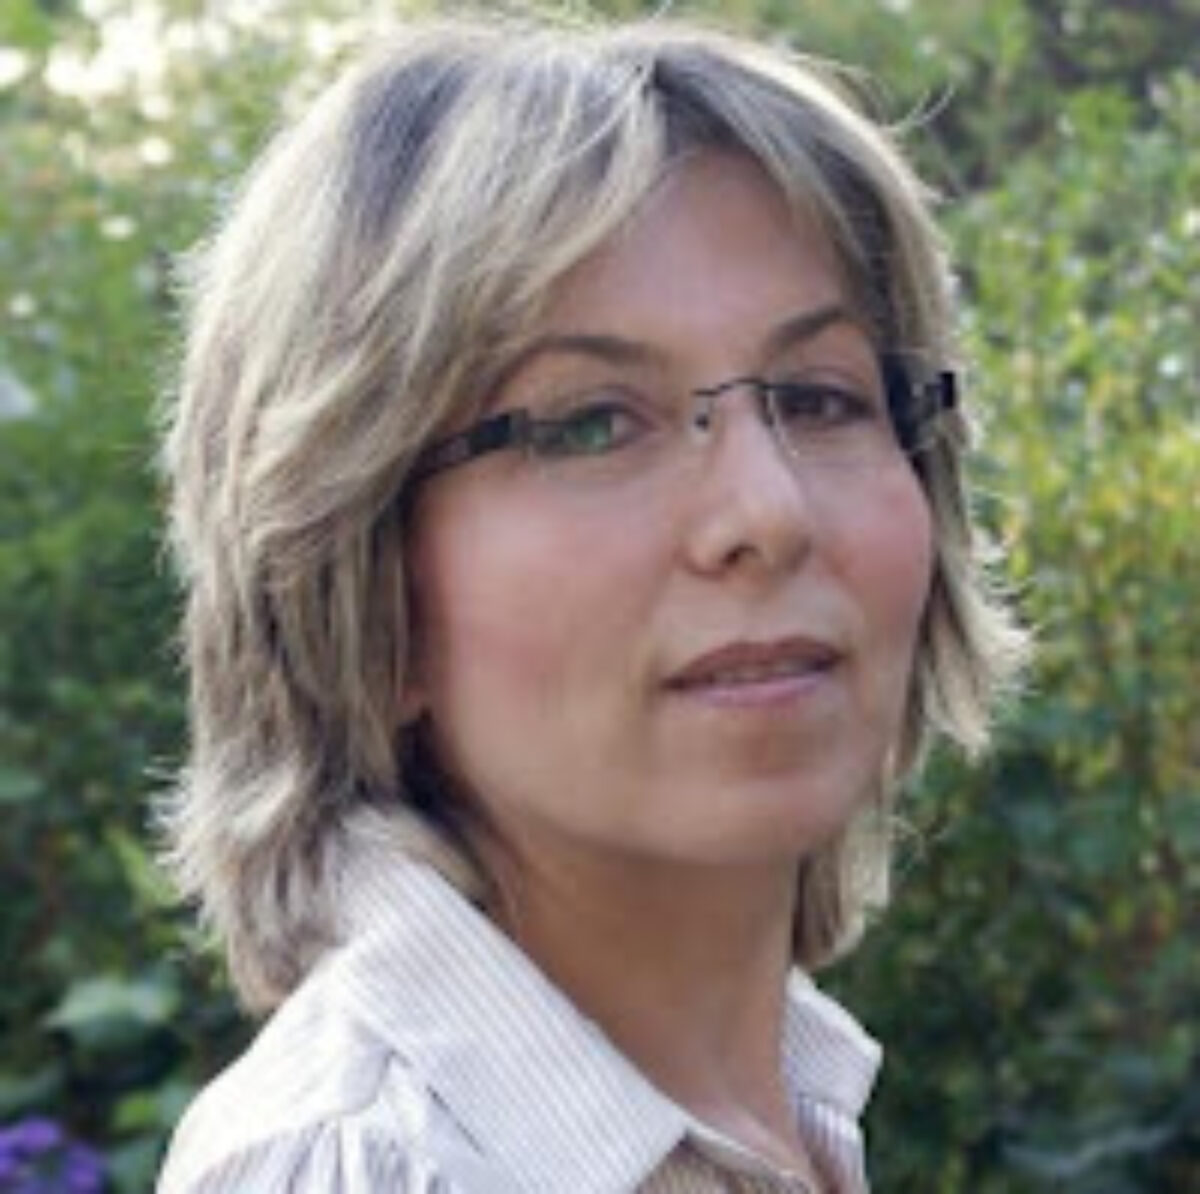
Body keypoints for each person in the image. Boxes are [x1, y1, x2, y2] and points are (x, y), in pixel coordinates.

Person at [155, 14, 1027, 1193]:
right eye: (592, 423)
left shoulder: (766, 1109)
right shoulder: (366, 1164)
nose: (768, 511)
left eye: (821, 399)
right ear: (355, 579)